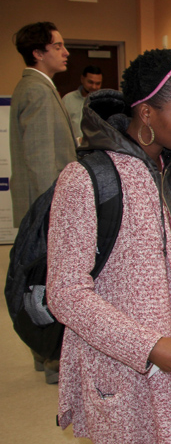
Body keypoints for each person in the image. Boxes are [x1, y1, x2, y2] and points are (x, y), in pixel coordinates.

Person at [46, 49, 171, 443]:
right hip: (120, 360)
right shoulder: (85, 179)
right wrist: (147, 345)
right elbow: (64, 292)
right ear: (147, 113)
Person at [9, 21, 77, 384]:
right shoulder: (37, 91)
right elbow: (41, 162)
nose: (65, 52)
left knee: (42, 284)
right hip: (47, 211)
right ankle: (52, 359)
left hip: (44, 209)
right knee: (46, 287)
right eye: (59, 45)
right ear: (39, 52)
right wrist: (54, 218)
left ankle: (43, 355)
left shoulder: (40, 88)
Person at [62, 65, 103, 141]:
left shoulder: (104, 102)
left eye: (98, 84)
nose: (94, 87)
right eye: (90, 82)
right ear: (82, 79)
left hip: (96, 148)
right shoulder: (68, 99)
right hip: (73, 147)